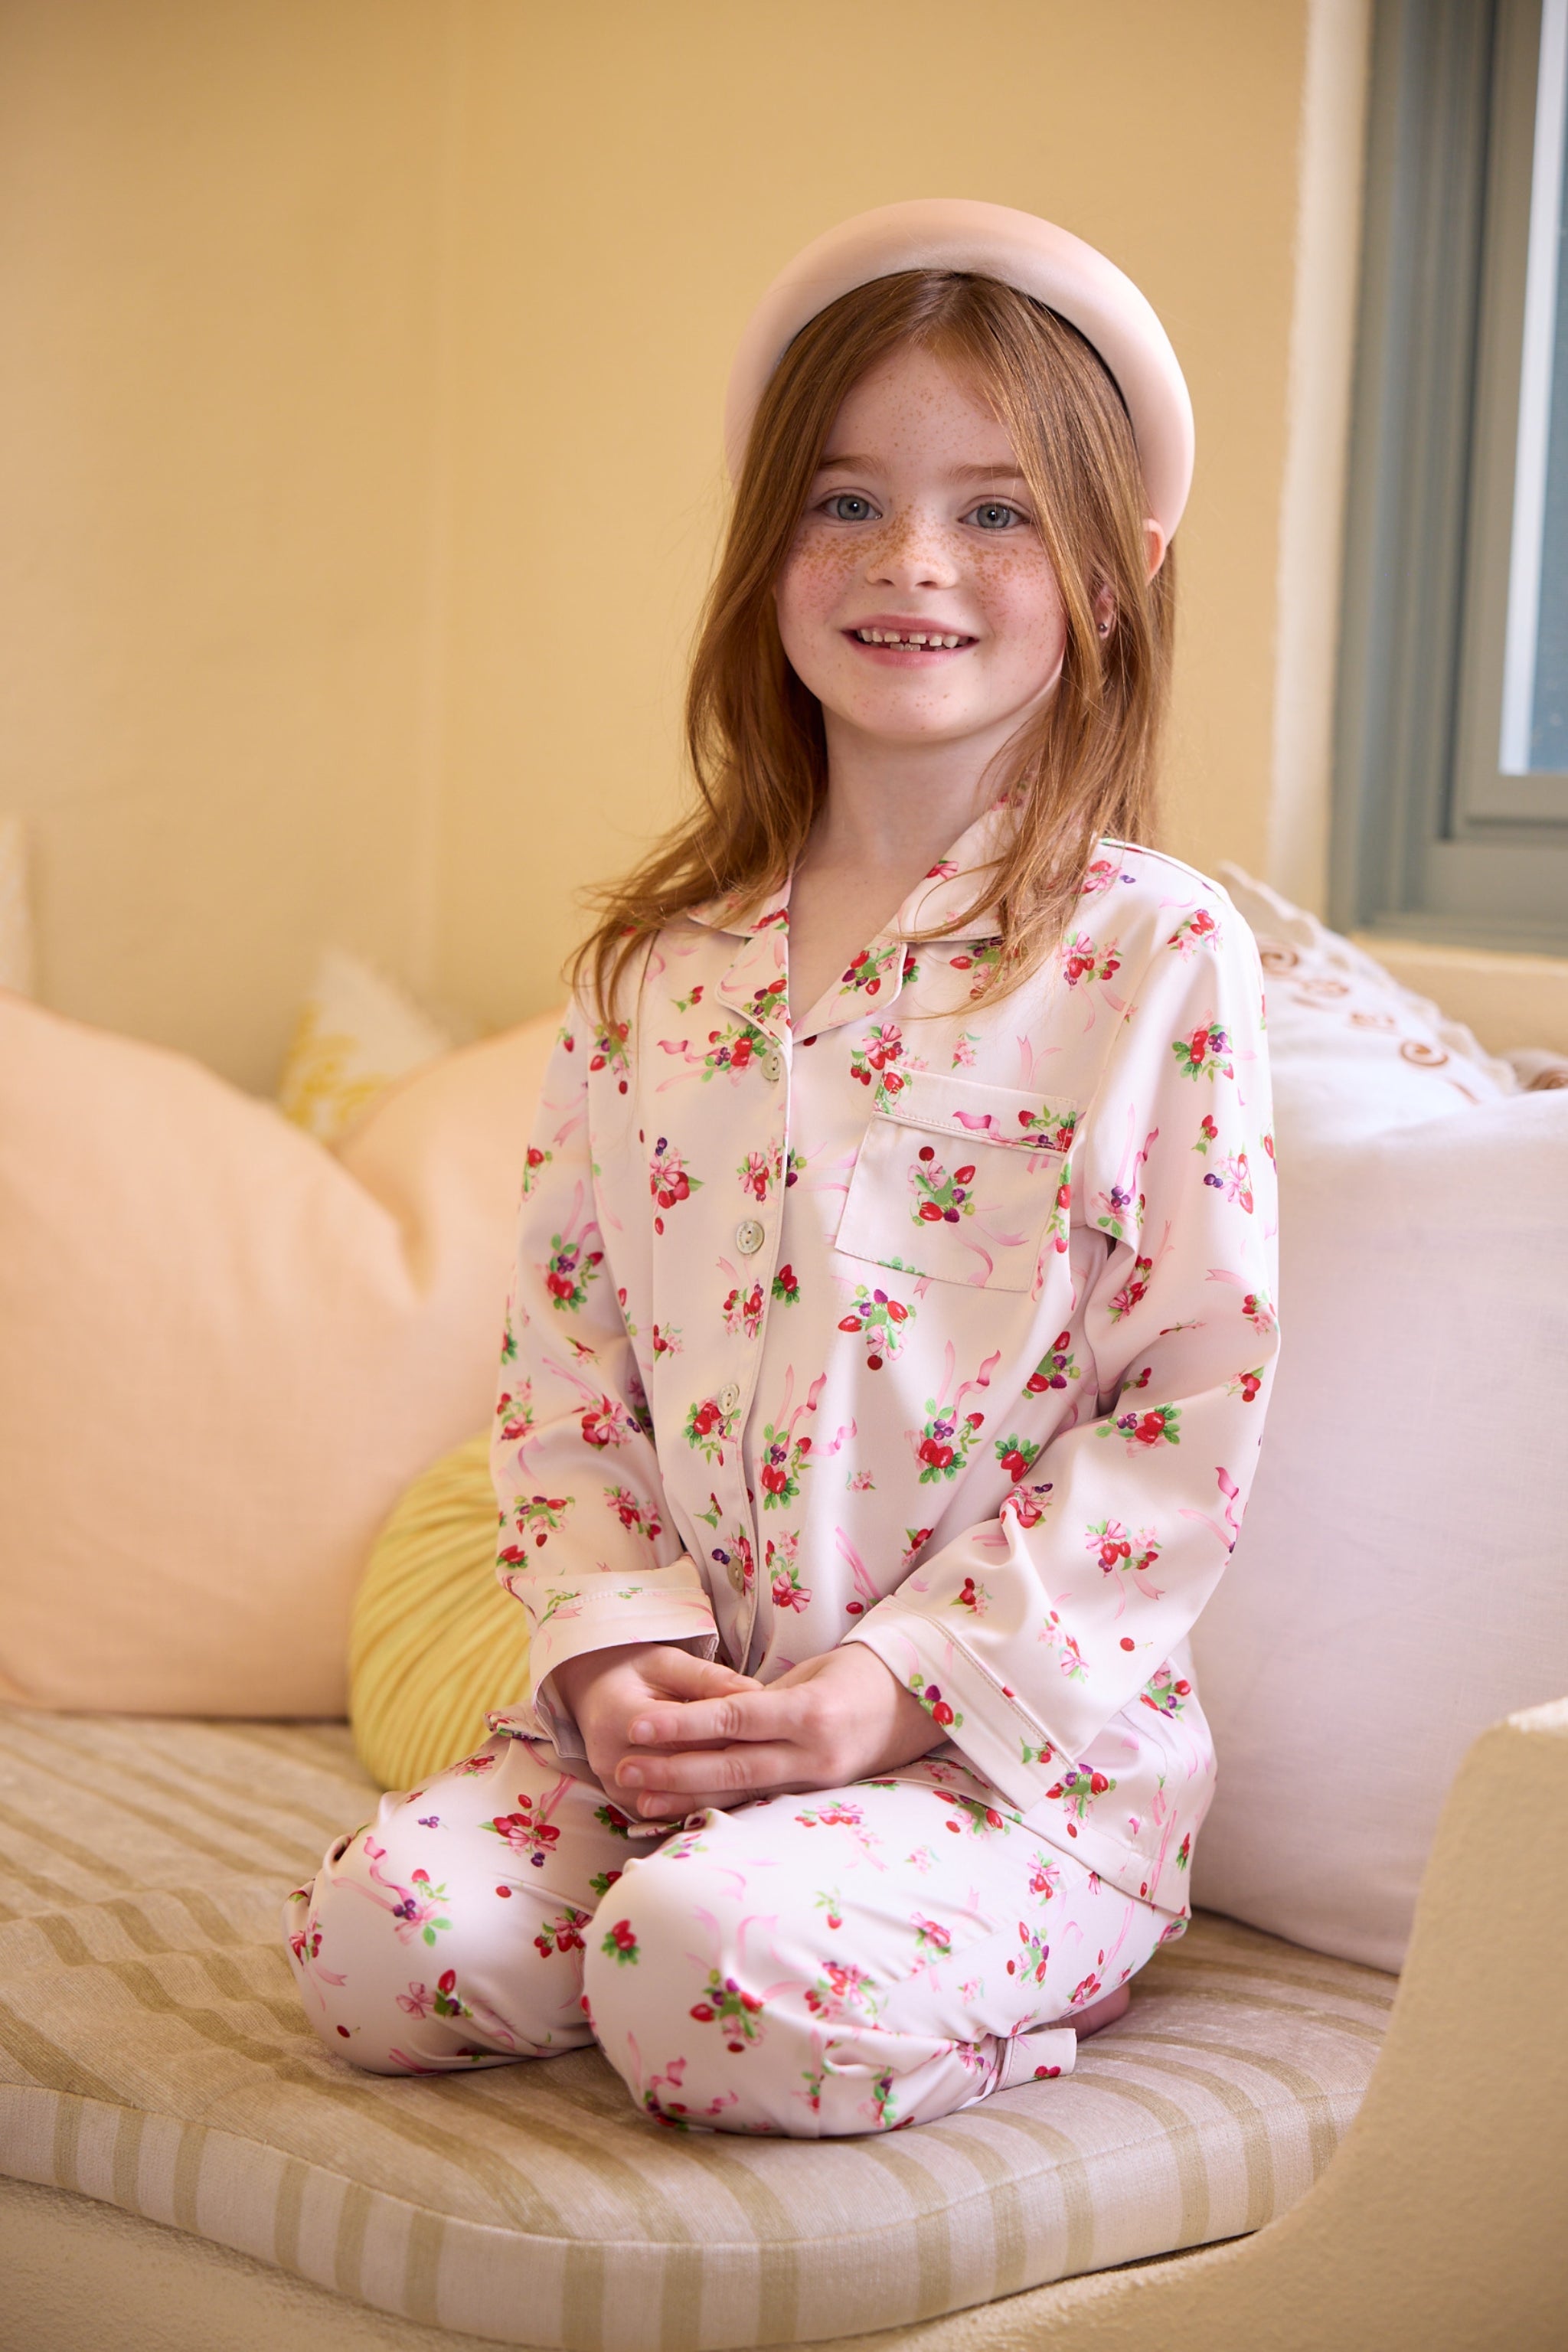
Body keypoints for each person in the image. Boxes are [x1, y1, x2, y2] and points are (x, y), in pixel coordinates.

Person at [284, 201, 1279, 2137]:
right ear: (767, 545)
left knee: (699, 1971)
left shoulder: (1152, 954)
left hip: (995, 1760)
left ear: (1117, 572)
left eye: (996, 512)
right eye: (846, 502)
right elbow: (563, 1382)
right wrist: (613, 1659)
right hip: (670, 1740)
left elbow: (1185, 1411)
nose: (914, 561)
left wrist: (884, 1693)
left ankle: (1010, 1982)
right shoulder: (651, 971)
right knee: (380, 1950)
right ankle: (693, 1883)